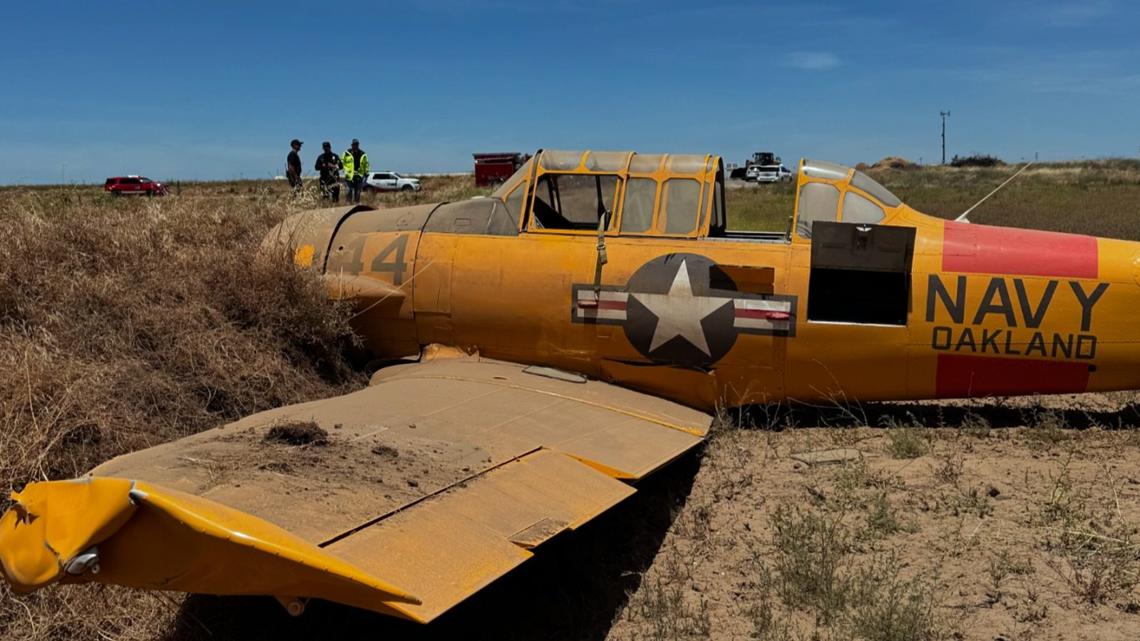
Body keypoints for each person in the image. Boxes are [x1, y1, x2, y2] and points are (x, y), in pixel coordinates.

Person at [342, 138, 370, 204]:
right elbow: (342, 162)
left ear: (358, 145)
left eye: (356, 144)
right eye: (354, 144)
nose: (355, 146)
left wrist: (366, 173)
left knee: (358, 192)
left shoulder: (363, 154)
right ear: (352, 145)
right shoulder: (347, 153)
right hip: (349, 176)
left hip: (359, 175)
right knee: (349, 191)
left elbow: (366, 164)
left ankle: (356, 204)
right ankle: (348, 204)